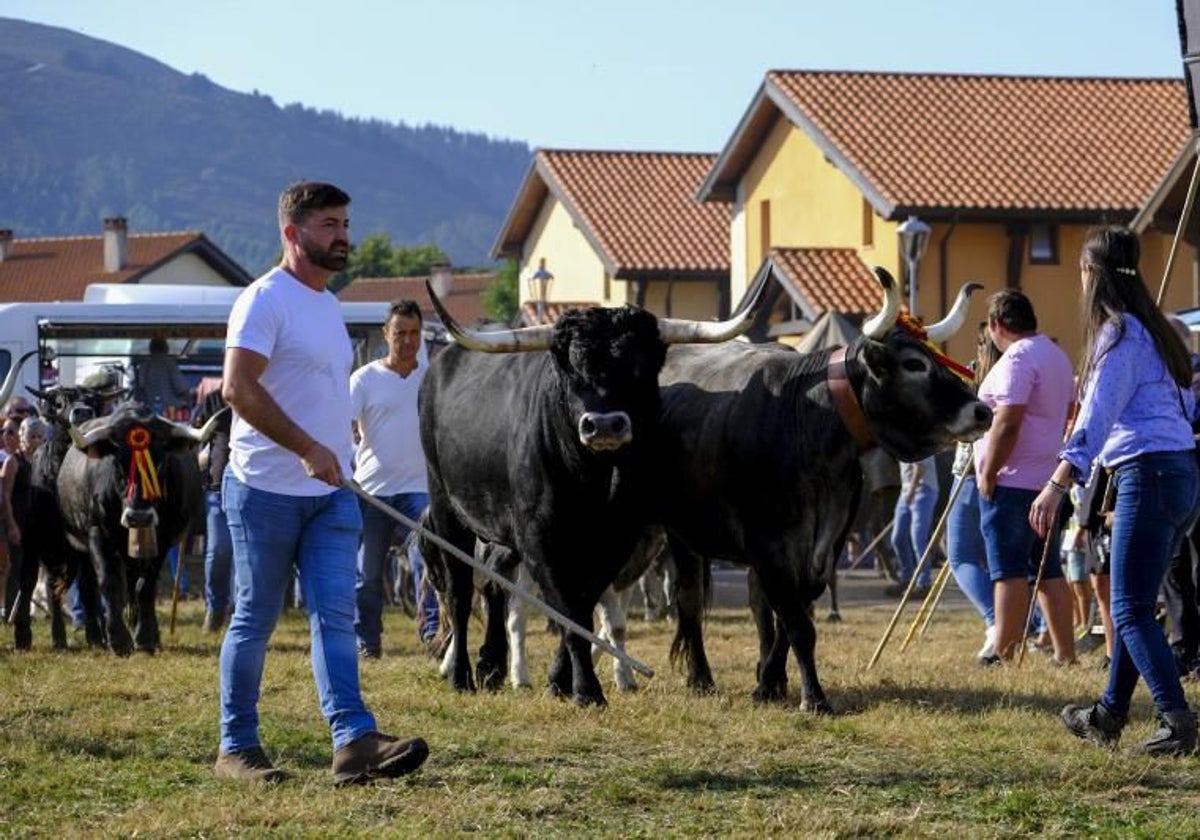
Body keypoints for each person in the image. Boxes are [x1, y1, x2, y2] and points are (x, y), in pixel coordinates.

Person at [216, 181, 429, 785]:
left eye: (344, 224)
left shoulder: (328, 306)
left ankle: (354, 741)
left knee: (336, 616)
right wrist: (305, 446)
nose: (344, 236)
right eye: (329, 225)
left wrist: (333, 448)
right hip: (264, 491)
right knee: (255, 617)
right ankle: (236, 749)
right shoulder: (264, 301)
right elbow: (238, 387)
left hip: (332, 495)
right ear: (292, 232)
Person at [1035, 226, 1200, 756]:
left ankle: (1177, 723)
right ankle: (1108, 715)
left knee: (1126, 607)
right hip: (1179, 475)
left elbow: (1096, 417)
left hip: (1147, 477)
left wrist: (1057, 483)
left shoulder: (1120, 333)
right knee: (1136, 604)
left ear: (1091, 274)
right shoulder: (1159, 333)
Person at [975, 289, 1076, 665]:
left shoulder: (1017, 359)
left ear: (998, 325)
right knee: (1048, 569)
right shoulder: (1057, 354)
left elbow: (1008, 419)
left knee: (1007, 570)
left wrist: (988, 471)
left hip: (1013, 480)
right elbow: (1070, 410)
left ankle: (1003, 651)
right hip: (1047, 479)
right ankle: (1065, 652)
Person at [349, 298, 435, 658]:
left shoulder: (432, 379)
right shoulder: (364, 379)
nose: (408, 341)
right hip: (373, 493)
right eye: (400, 333)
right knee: (367, 576)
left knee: (429, 565)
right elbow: (343, 428)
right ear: (386, 334)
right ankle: (368, 640)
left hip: (420, 492)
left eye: (415, 333)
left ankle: (433, 635)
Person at [946, 323, 1001, 661]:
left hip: (969, 473)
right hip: (1008, 473)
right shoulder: (1018, 370)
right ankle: (1030, 623)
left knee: (961, 555)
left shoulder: (977, 377)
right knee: (997, 560)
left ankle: (998, 622)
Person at [198, 384, 234, 634]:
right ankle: (216, 607)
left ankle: (243, 612)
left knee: (250, 556)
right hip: (218, 487)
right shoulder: (213, 400)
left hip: (259, 485)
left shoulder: (269, 391)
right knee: (219, 550)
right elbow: (198, 436)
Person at [885, 455, 938, 598]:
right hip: (906, 490)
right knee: (897, 538)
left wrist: (912, 491)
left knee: (918, 538)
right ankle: (907, 579)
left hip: (923, 489)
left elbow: (919, 467)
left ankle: (924, 583)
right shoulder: (899, 441)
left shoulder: (916, 438)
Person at [135, 336, 194, 416]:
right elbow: (181, 387)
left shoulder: (144, 365)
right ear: (165, 348)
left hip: (150, 409)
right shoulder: (169, 363)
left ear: (151, 348)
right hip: (170, 410)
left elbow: (141, 386)